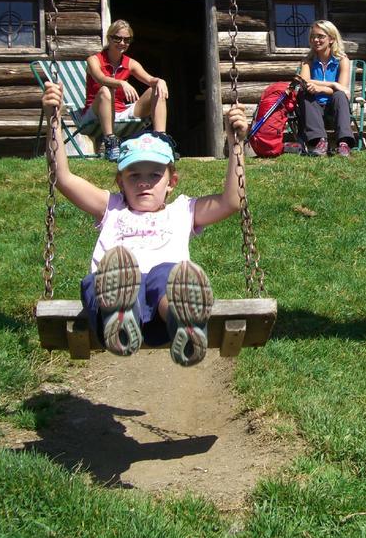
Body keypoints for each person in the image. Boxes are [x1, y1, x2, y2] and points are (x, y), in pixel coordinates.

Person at [41, 80, 248, 367]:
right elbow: (63, 179)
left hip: (161, 322)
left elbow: (231, 202)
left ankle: (182, 320)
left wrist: (235, 143)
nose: (144, 183)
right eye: (134, 175)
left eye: (154, 175)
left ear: (171, 182)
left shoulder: (182, 210)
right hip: (110, 311)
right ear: (120, 182)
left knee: (168, 275)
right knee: (109, 277)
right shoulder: (110, 206)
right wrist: (55, 122)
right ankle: (121, 314)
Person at [82, 20, 169, 162]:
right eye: (117, 38)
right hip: (95, 114)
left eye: (127, 40)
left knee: (156, 89)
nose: (122, 43)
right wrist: (121, 83)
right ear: (109, 38)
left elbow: (149, 79)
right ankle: (110, 141)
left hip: (121, 111)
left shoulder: (130, 63)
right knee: (105, 90)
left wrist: (160, 81)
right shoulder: (94, 60)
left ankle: (161, 140)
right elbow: (100, 78)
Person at [296, 20, 356, 157]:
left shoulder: (342, 60)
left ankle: (343, 143)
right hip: (313, 109)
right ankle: (320, 142)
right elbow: (303, 82)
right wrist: (332, 85)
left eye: (320, 36)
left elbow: (343, 89)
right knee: (304, 94)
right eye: (313, 37)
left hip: (334, 107)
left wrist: (321, 88)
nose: (316, 40)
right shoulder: (308, 61)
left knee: (340, 95)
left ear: (331, 39)